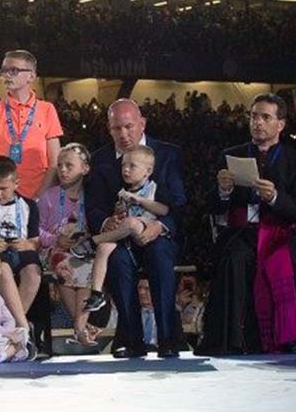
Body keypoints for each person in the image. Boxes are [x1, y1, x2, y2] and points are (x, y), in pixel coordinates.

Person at [197, 93, 296, 355]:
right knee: (234, 258)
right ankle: (233, 340)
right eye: (253, 116)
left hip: (282, 233)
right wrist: (223, 191)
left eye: (265, 117)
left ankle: (290, 338)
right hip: (243, 233)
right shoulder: (230, 155)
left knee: (285, 258)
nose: (258, 123)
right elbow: (210, 206)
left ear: (280, 124)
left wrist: (275, 197)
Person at [86, 99, 186, 358]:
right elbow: (95, 207)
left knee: (160, 255)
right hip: (119, 238)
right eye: (116, 128)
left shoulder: (168, 154)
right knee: (117, 261)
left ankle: (168, 338)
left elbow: (179, 203)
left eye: (129, 127)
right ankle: (130, 339)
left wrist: (160, 226)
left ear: (142, 124)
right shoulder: (99, 160)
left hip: (157, 233)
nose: (123, 134)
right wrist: (105, 223)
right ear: (109, 128)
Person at [73, 146, 172, 314]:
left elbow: (164, 210)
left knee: (132, 223)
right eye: (123, 166)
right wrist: (117, 212)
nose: (126, 170)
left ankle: (93, 241)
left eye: (132, 166)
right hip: (125, 236)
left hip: (144, 228)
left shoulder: (153, 188)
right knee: (104, 248)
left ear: (148, 171)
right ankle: (97, 293)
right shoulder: (123, 192)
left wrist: (139, 200)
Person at [0, 50, 63, 199]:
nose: (7, 75)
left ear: (31, 75)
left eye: (13, 70)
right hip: (4, 199)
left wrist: (38, 198)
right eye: (4, 70)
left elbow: (54, 163)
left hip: (40, 196)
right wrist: (1, 196)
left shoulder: (47, 110)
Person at [39, 143, 98, 346]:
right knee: (63, 263)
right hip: (54, 250)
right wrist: (55, 240)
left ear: (85, 168)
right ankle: (81, 327)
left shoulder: (92, 196)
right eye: (60, 165)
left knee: (89, 266)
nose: (63, 170)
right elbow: (36, 230)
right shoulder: (49, 196)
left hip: (84, 251)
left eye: (69, 165)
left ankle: (79, 327)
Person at [0, 157, 42, 323]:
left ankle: (13, 323)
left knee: (33, 273)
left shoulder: (29, 205)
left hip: (21, 250)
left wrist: (27, 244)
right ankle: (20, 325)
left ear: (16, 184)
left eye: (3, 188)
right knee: (3, 269)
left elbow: (35, 241)